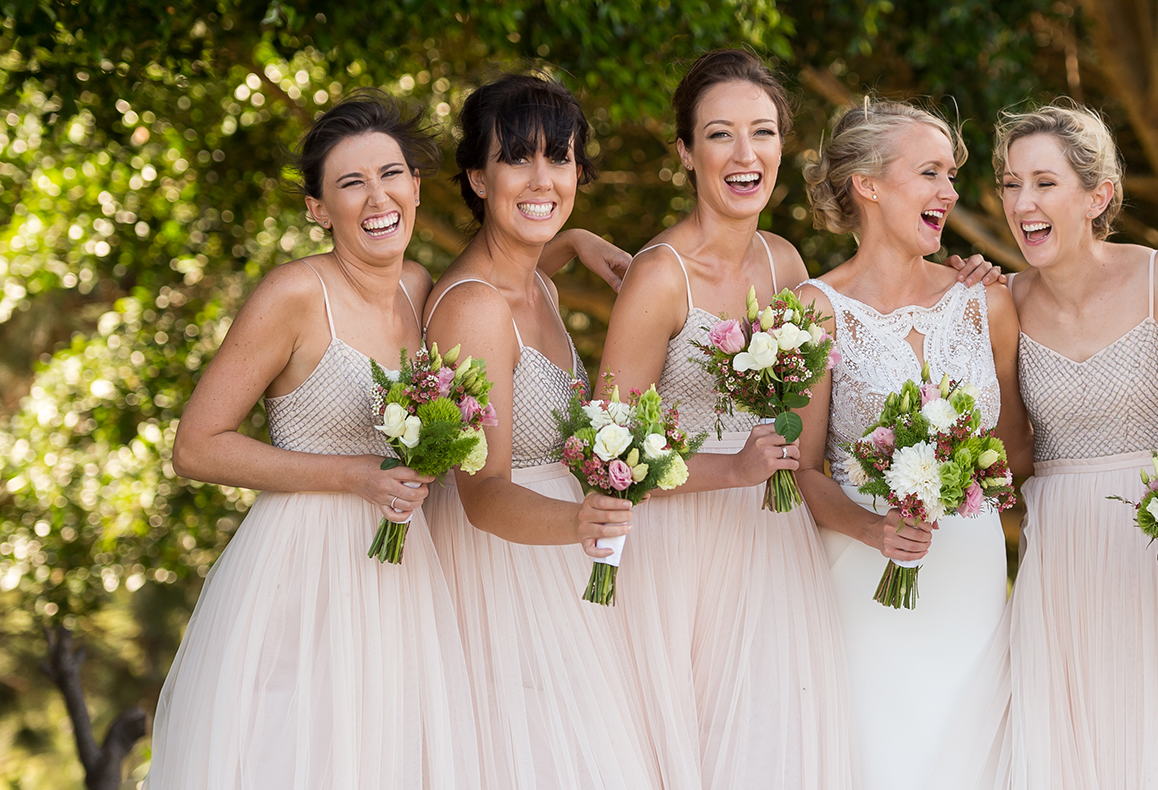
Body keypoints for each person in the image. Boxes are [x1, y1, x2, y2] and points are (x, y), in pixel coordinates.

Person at [151, 90, 480, 788]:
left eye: (390, 175)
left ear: (416, 187)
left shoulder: (423, 289)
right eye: (350, 184)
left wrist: (574, 243)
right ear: (317, 209)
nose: (376, 197)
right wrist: (354, 476)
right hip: (303, 570)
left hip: (403, 574)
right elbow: (197, 445)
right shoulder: (294, 294)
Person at [593, 49, 856, 790]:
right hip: (679, 554)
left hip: (774, 543)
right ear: (685, 151)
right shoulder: (659, 276)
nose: (746, 155)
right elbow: (605, 458)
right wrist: (733, 469)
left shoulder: (788, 264)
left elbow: (806, 441)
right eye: (720, 135)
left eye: (763, 132)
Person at [418, 74, 657, 790]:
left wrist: (575, 240)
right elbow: (483, 494)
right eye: (518, 157)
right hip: (506, 580)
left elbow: (528, 258)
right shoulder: (475, 310)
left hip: (554, 565)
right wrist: (582, 519)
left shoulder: (537, 284)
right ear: (477, 176)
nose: (543, 177)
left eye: (560, 157)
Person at [793, 98, 1031, 790]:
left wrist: (969, 474)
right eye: (930, 172)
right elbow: (804, 472)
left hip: (970, 567)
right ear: (867, 184)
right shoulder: (815, 310)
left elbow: (1014, 447)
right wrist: (874, 527)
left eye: (951, 175)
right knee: (880, 750)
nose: (950, 193)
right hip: (862, 576)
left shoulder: (985, 300)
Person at [997, 102, 1158, 789]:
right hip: (1060, 554)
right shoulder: (1004, 301)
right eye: (1009, 183)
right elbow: (1011, 454)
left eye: (1043, 182)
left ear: (1098, 196)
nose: (1022, 202)